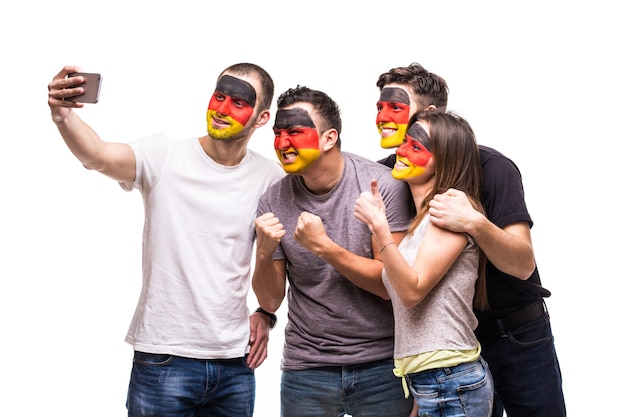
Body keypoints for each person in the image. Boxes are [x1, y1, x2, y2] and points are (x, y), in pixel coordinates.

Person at [47, 63, 285, 417]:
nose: (222, 110)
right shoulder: (165, 155)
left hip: (235, 365)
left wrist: (265, 314)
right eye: (219, 96)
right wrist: (63, 116)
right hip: (164, 359)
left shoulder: (270, 178)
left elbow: (277, 270)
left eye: (238, 103)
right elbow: (97, 155)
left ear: (261, 117)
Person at [376, 63, 566, 416]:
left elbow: (523, 265)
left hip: (515, 333)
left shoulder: (492, 167)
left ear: (431, 115)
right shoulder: (392, 173)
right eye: (379, 107)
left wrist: (475, 223)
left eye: (396, 108)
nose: (384, 117)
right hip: (448, 347)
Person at [251, 85, 415, 417]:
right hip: (306, 369)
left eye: (295, 132)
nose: (282, 144)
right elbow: (269, 301)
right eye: (278, 133)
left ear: (329, 138)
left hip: (383, 364)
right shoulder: (274, 199)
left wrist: (324, 247)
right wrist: (265, 253)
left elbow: (391, 285)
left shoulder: (382, 186)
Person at [355, 111, 494, 417]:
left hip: (451, 380)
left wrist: (380, 228)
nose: (399, 151)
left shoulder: (450, 212)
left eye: (415, 147)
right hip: (432, 381)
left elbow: (412, 291)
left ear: (445, 160)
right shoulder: (421, 222)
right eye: (404, 141)